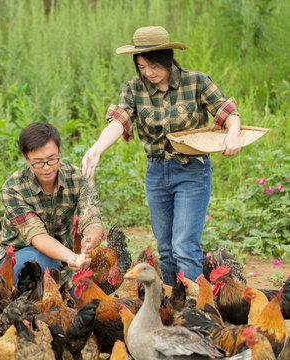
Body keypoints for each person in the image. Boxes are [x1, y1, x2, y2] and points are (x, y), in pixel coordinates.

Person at [82, 26, 241, 285]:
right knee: (166, 249)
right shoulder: (133, 89)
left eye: (153, 66)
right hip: (156, 172)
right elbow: (118, 121)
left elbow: (227, 111)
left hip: (192, 170)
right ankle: (169, 305)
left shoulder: (196, 81)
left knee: (184, 246)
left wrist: (232, 133)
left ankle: (194, 311)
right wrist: (97, 148)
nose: (148, 73)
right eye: (142, 66)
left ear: (168, 58)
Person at [0, 122, 104, 286]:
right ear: (26, 157)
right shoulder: (13, 188)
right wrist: (70, 257)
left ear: (59, 151)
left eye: (52, 159)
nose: (47, 168)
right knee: (44, 262)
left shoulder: (79, 178)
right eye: (38, 162)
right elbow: (37, 236)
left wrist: (90, 241)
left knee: (86, 296)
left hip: (63, 259)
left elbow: (92, 218)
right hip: (19, 258)